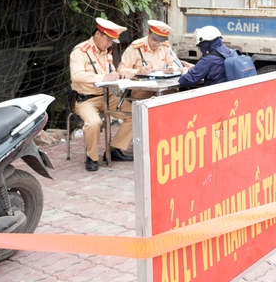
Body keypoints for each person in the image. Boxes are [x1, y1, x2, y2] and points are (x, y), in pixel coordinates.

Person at [70, 18, 133, 172]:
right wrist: (102, 78)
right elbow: (76, 75)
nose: (110, 43)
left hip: (106, 97)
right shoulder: (80, 51)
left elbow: (110, 72)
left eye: (112, 41)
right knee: (93, 122)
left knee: (135, 113)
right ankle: (91, 157)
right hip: (85, 99)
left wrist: (120, 74)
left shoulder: (106, 52)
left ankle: (114, 150)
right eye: (108, 40)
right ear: (98, 34)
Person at [117, 19, 193, 99]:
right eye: (154, 39)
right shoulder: (136, 47)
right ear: (148, 33)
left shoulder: (165, 46)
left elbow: (176, 62)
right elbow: (121, 70)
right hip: (143, 90)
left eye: (161, 41)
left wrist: (172, 68)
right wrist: (138, 72)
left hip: (164, 88)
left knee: (175, 99)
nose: (157, 44)